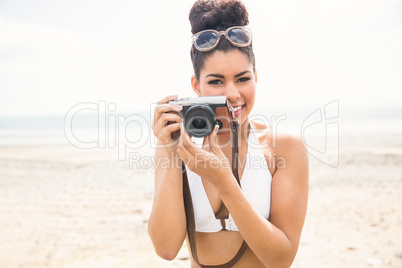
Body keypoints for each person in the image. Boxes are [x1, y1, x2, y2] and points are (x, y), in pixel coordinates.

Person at [148, 0, 309, 267]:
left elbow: (281, 260)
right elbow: (166, 249)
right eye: (216, 82)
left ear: (256, 76)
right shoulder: (179, 144)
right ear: (195, 86)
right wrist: (168, 151)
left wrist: (224, 181)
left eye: (243, 79)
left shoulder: (283, 147)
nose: (233, 94)